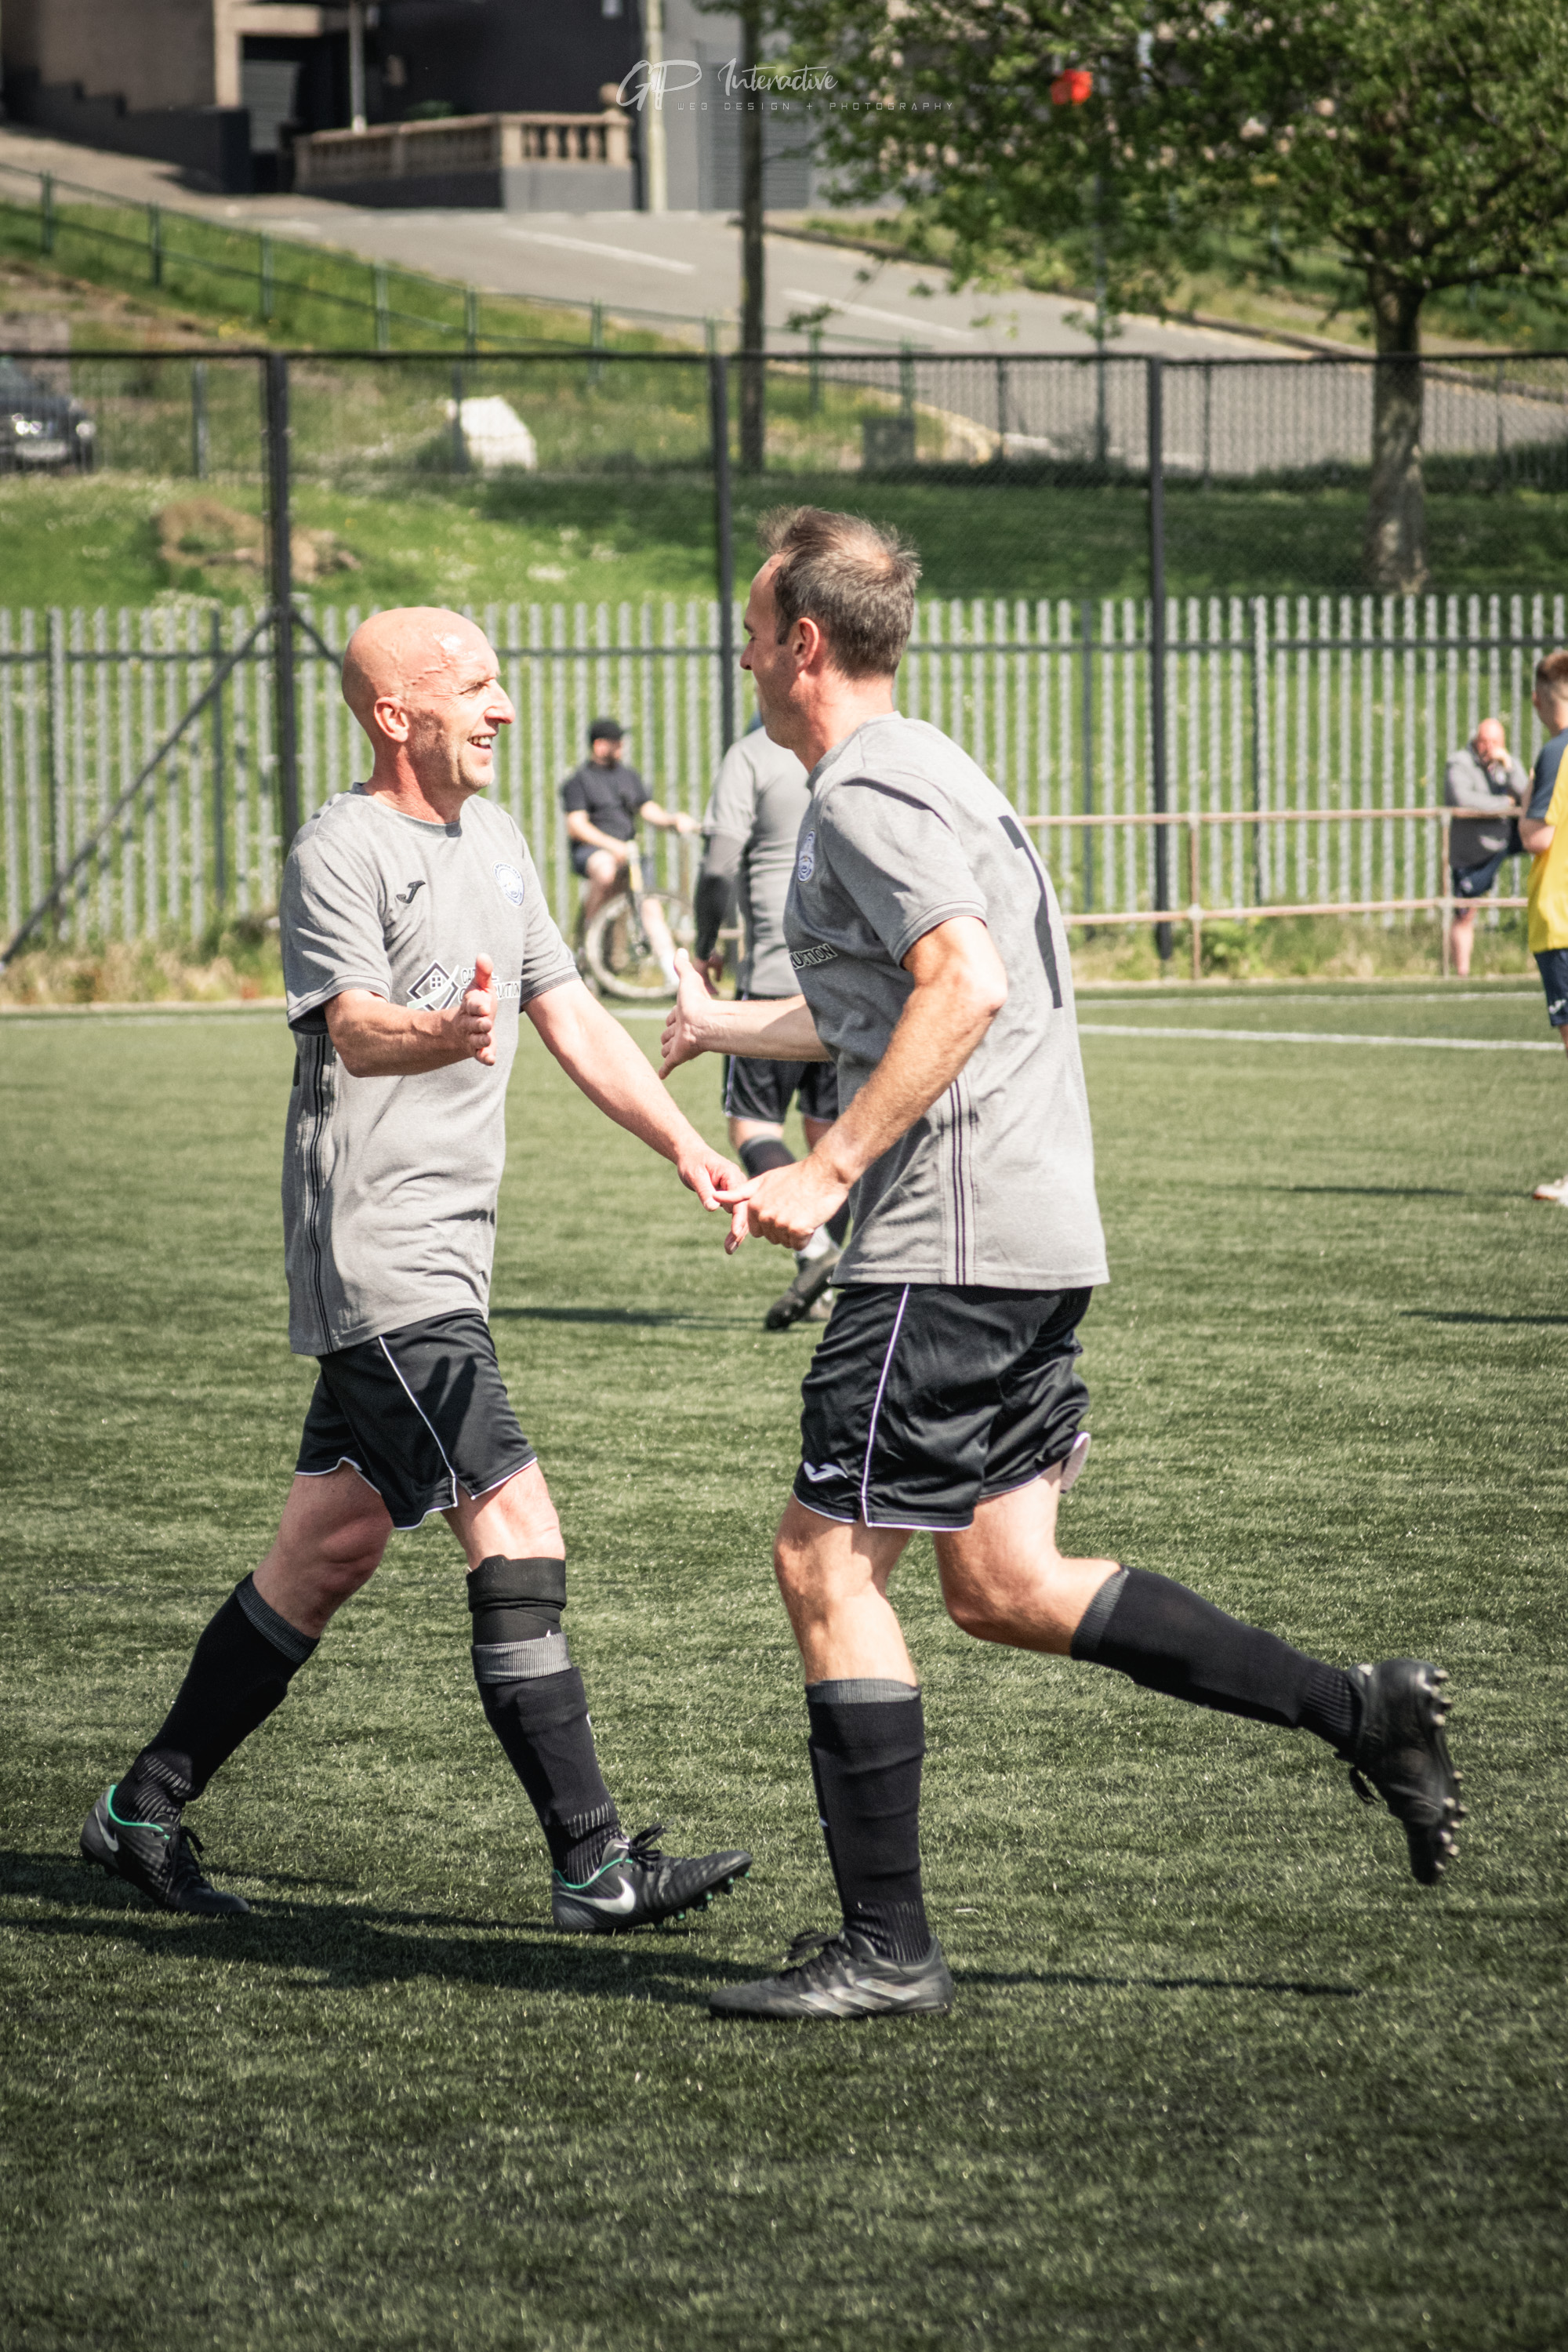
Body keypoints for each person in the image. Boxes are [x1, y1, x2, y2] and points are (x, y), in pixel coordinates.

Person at [661, 507, 1465, 2023]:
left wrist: (825, 1170)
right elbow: (907, 996)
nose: (747, 653)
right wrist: (728, 1029)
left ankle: (886, 1950)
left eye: (756, 631)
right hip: (1033, 1236)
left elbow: (958, 987)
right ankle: (1360, 1712)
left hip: (944, 1246)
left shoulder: (854, 793)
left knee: (824, 1560)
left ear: (805, 646)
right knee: (1006, 1582)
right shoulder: (936, 765)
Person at [82, 607, 751, 1933]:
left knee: (321, 1555)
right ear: (397, 714)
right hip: (383, 1260)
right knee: (516, 1527)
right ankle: (594, 1866)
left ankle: (136, 1812)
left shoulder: (497, 842)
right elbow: (354, 1027)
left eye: (503, 683)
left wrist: (686, 1146)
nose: (504, 708)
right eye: (477, 687)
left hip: (445, 1261)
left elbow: (568, 1015)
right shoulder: (341, 849)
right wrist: (441, 1030)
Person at [695, 716, 848, 1330]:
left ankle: (817, 1252)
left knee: (750, 1124)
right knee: (830, 1132)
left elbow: (717, 867)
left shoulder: (751, 756)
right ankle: (841, 1281)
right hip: (845, 983)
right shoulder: (846, 752)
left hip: (775, 982)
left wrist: (706, 944)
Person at [561, 718, 697, 987]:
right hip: (596, 851)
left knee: (650, 906)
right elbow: (576, 826)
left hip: (629, 853)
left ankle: (673, 977)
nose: (621, 747)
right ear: (600, 745)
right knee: (605, 871)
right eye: (616, 743)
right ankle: (588, 945)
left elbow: (647, 809)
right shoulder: (579, 781)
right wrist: (612, 846)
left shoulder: (628, 777)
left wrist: (672, 820)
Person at [1519, 650, 1568, 1203]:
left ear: (1539, 700)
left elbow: (1537, 837)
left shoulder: (1557, 752)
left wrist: (1524, 793)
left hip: (1562, 919)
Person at [1444, 716, 1526, 978]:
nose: (1489, 747)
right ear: (1475, 740)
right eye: (1484, 741)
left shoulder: (1505, 763)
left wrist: (1510, 768)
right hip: (1472, 851)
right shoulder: (1459, 763)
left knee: (1548, 838)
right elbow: (1463, 799)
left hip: (1504, 840)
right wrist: (1505, 803)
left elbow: (1528, 796)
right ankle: (1462, 973)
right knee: (1465, 911)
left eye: (1495, 742)